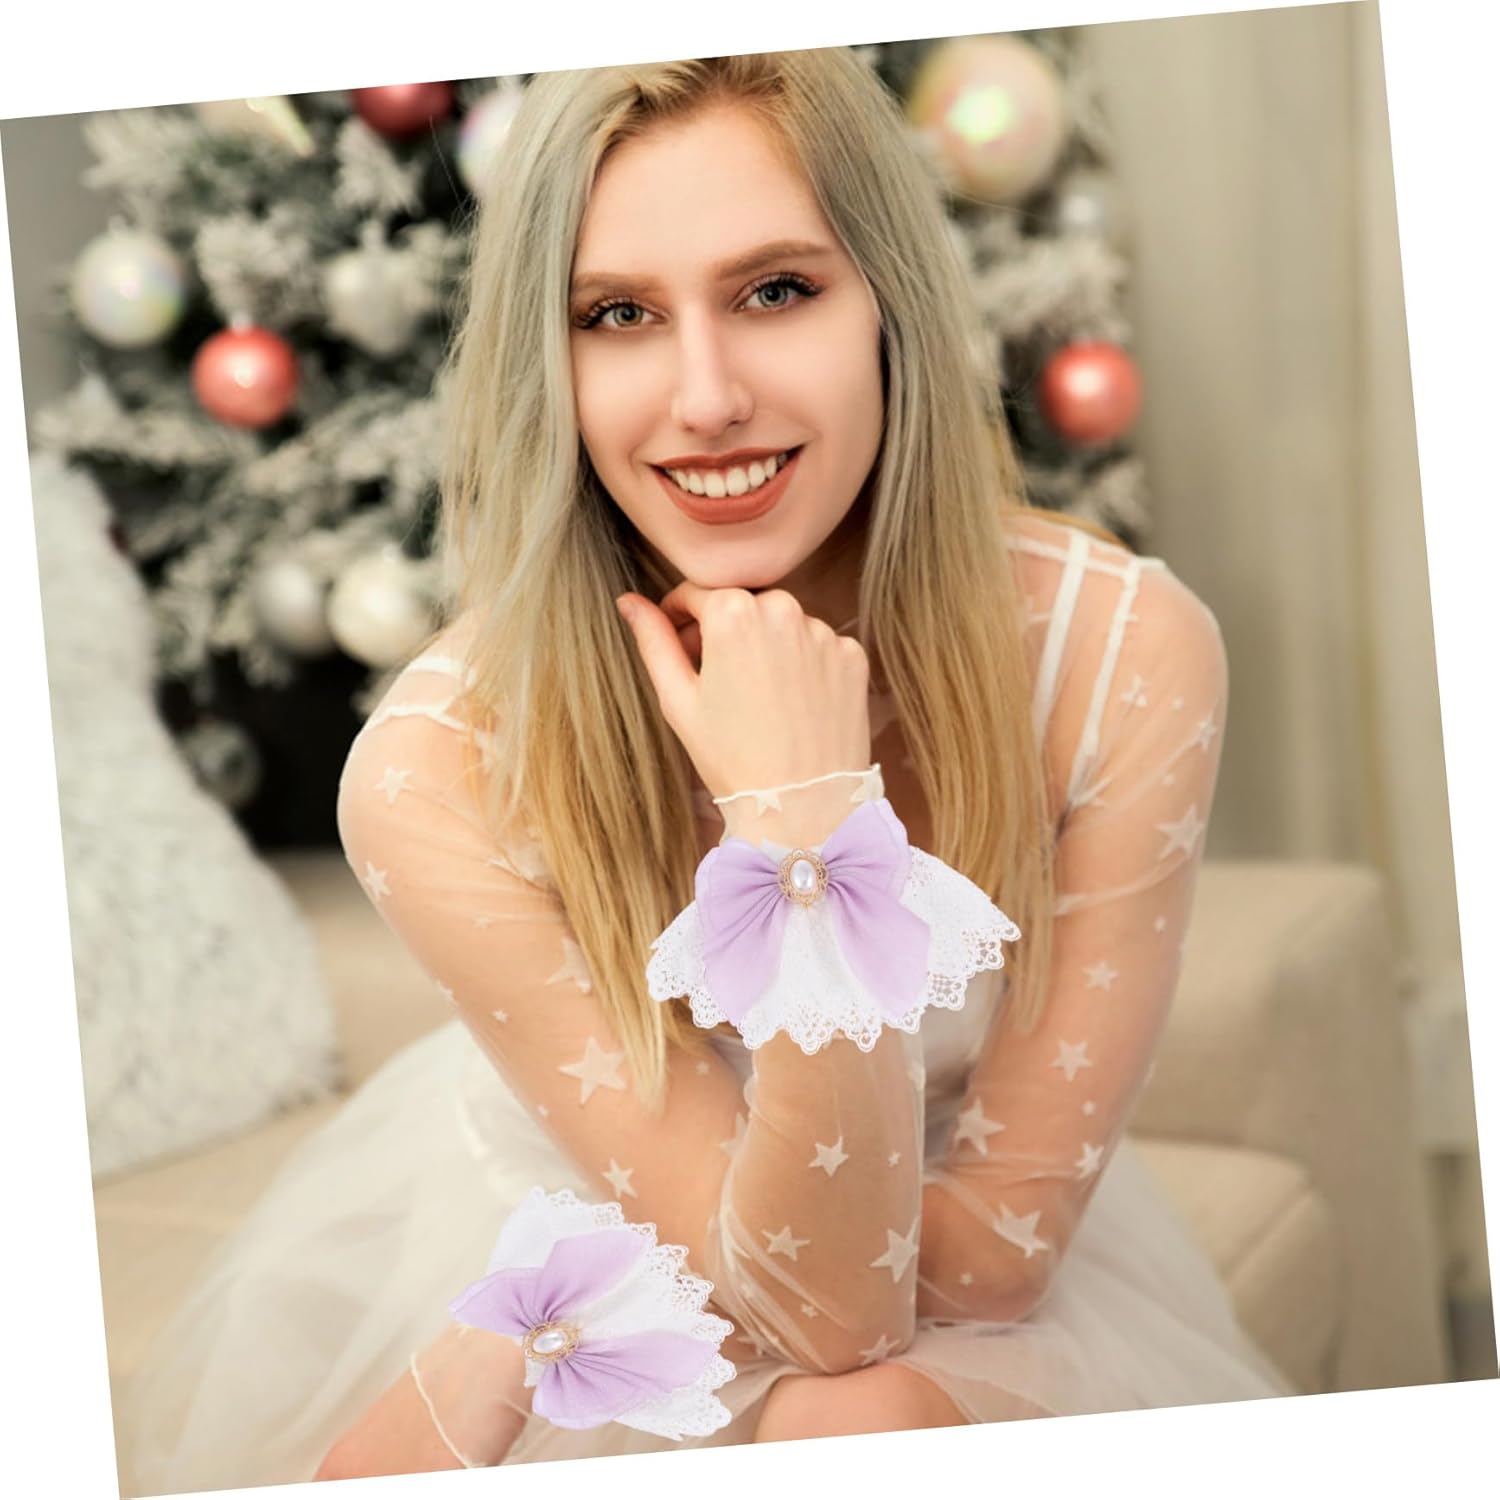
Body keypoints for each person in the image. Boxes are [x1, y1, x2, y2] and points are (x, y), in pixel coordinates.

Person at [126, 48, 1295, 1493]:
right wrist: (801, 840)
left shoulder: (1119, 656)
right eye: (616, 315)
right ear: (547, 362)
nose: (706, 399)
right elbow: (824, 1303)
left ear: (889, 308)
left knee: (851, 1415)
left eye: (776, 291)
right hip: (585, 1210)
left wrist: (805, 821)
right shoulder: (433, 768)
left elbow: (947, 1276)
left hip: (937, 1282)